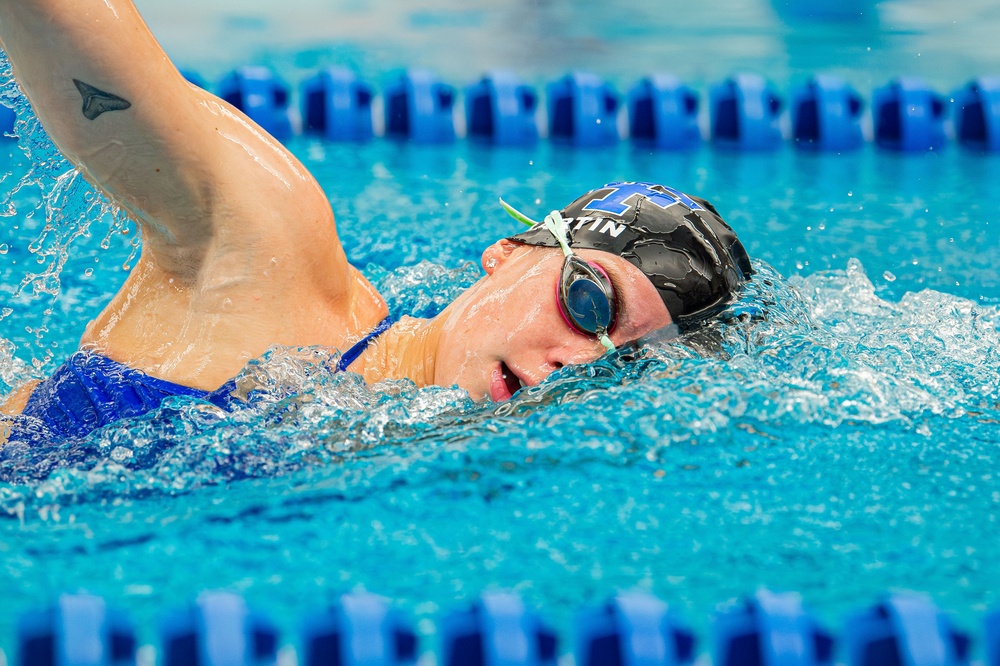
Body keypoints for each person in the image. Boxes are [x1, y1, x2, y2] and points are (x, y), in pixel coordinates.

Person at [0, 0, 751, 445]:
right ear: (509, 252)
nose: (581, 361)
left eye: (622, 363)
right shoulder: (268, 251)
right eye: (590, 302)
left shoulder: (425, 459)